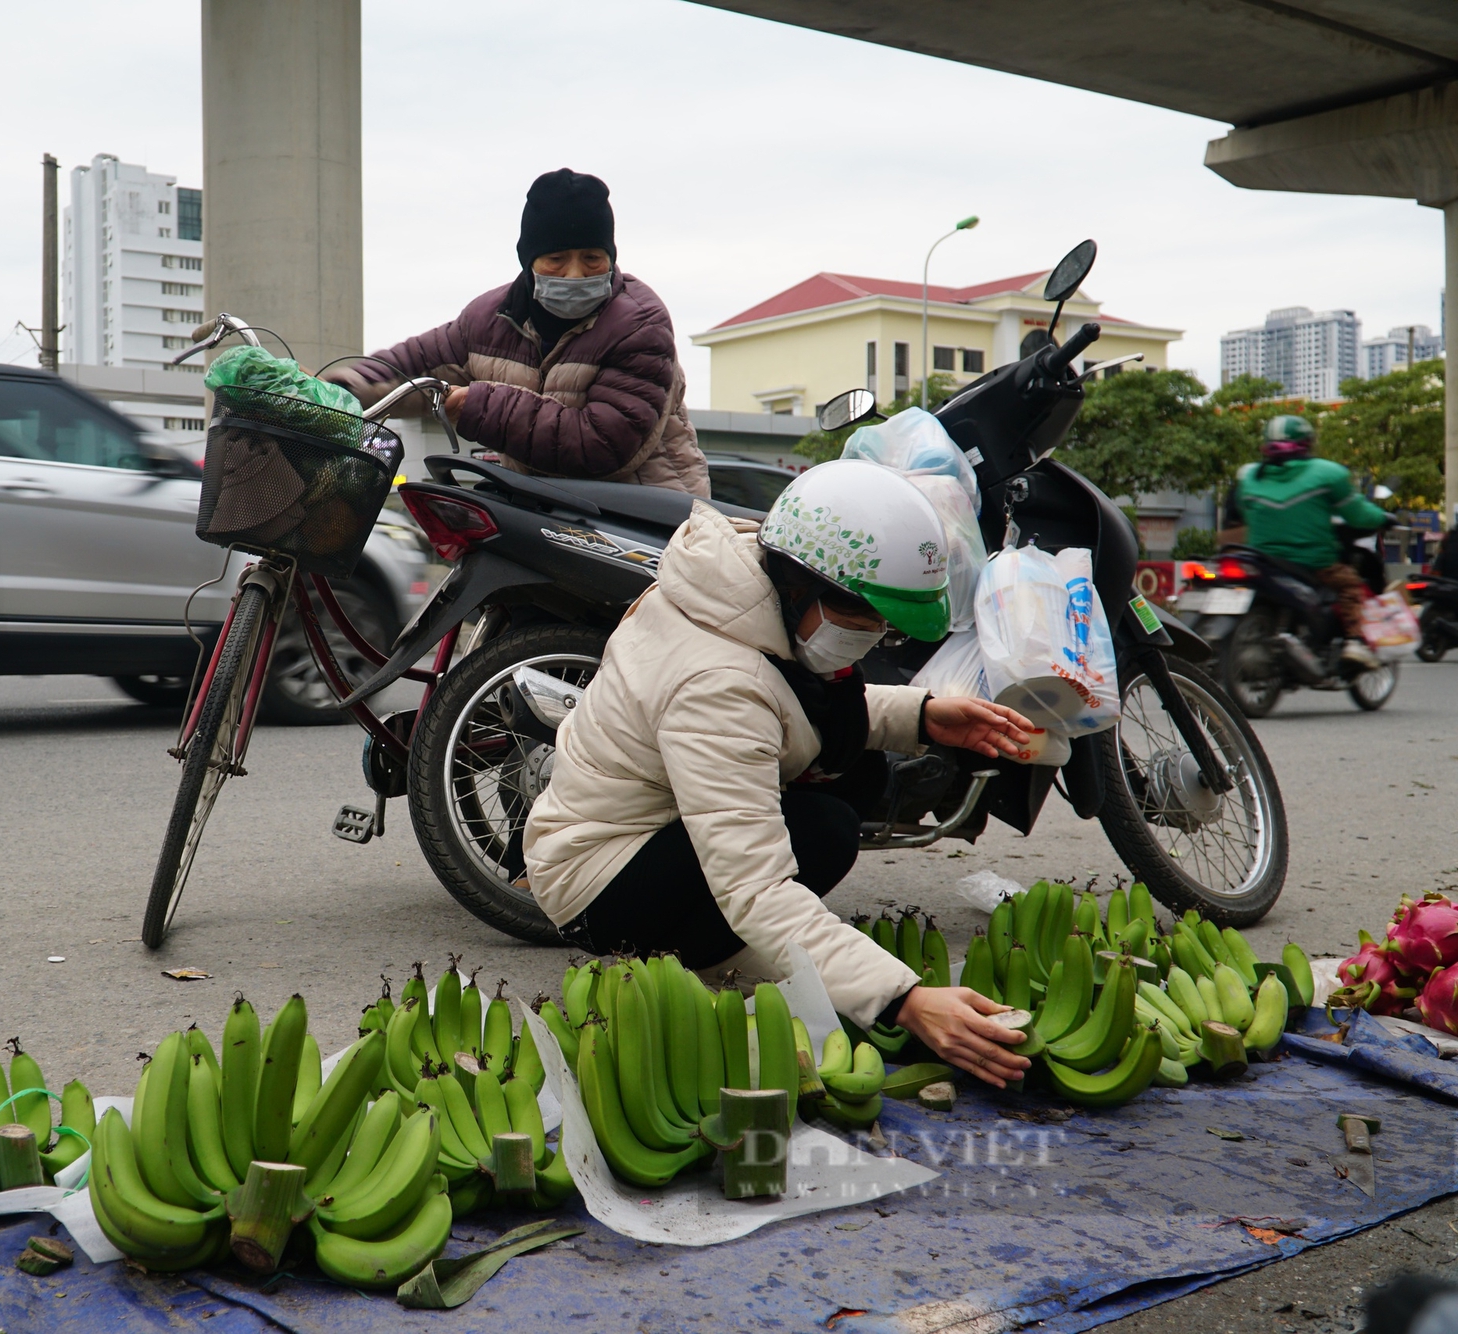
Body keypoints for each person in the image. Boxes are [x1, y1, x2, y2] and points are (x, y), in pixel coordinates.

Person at [522, 459, 1037, 1086]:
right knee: (823, 829)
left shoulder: (733, 595)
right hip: (598, 880)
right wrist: (902, 1000)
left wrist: (923, 716)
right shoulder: (716, 684)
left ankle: (753, 952)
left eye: (885, 626)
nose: (874, 637)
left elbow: (782, 715)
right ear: (801, 586)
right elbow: (754, 885)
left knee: (855, 779)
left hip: (633, 823)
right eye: (863, 618)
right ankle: (682, 968)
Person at [325, 168, 707, 495]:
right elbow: (413, 364)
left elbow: (600, 446)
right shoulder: (489, 319)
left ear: (610, 258)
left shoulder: (640, 324)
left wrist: (477, 406)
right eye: (557, 260)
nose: (575, 274)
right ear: (529, 262)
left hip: (646, 520)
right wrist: (337, 389)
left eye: (592, 259)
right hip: (547, 512)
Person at [1220, 414, 1390, 668]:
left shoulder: (1249, 477)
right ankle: (1355, 643)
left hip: (1261, 559)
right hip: (1313, 561)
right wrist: (1383, 517)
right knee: (1350, 586)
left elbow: (1244, 513)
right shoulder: (1327, 473)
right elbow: (1359, 515)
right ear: (1307, 443)